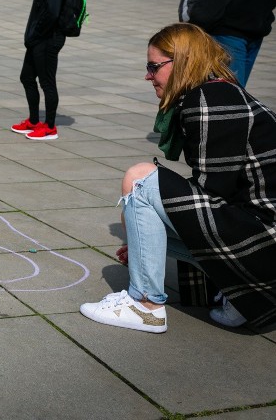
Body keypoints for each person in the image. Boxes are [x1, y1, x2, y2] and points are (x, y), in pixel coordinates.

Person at [80, 23, 276, 333]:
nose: (148, 75)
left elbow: (214, 195)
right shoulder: (221, 91)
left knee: (140, 178)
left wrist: (139, 235)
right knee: (143, 214)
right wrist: (141, 238)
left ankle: (146, 307)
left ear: (182, 61)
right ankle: (238, 300)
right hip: (262, 237)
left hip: (263, 243)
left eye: (153, 66)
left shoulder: (209, 100)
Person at [11, 0, 68, 141]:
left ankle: (50, 127)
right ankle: (34, 121)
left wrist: (35, 35)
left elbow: (52, 13)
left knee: (47, 83)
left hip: (47, 40)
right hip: (38, 40)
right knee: (26, 77)